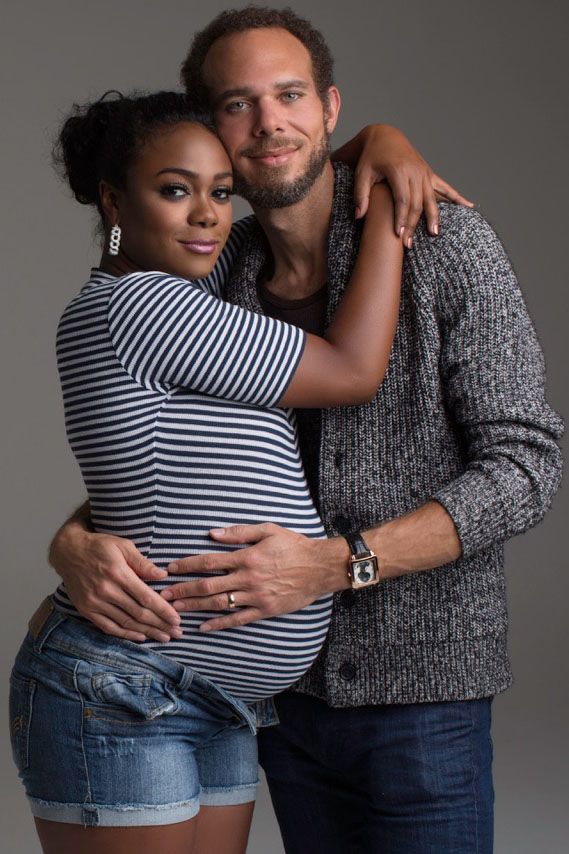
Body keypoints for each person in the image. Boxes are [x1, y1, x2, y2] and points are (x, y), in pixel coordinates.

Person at [48, 7, 564, 853]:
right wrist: (72, 540)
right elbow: (166, 447)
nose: (268, 122)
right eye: (237, 103)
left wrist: (335, 563)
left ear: (329, 109)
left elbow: (526, 467)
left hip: (419, 696)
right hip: (272, 711)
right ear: (208, 127)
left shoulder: (443, 242)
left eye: (289, 95)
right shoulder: (214, 269)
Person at [8, 83, 410, 854]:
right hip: (126, 686)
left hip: (214, 697)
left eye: (222, 193)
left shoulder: (171, 308)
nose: (207, 215)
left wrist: (373, 139)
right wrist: (386, 196)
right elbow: (355, 369)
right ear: (113, 203)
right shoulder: (142, 306)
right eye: (173, 191)